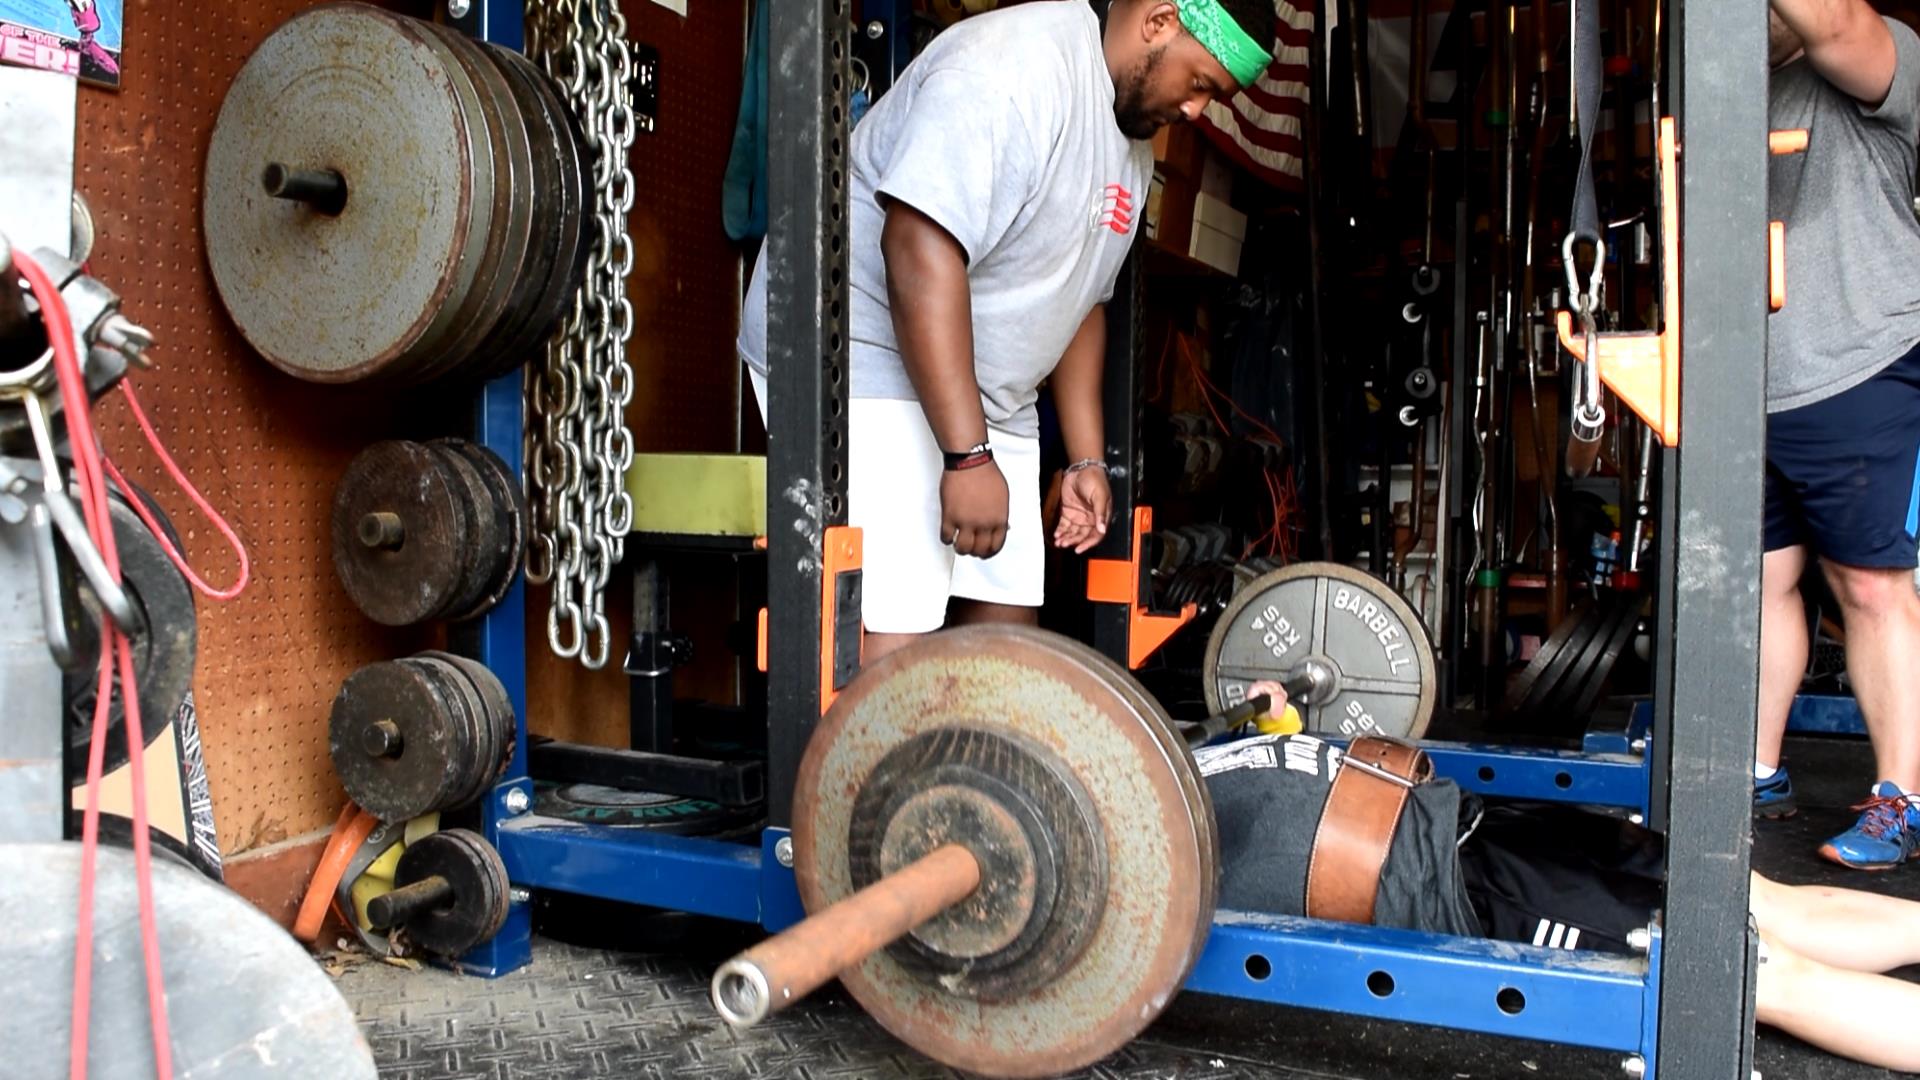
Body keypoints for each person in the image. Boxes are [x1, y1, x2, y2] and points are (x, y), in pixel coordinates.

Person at [735, 0, 1277, 663]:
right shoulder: (1011, 69)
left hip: (991, 395)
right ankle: (870, 767)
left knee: (1005, 643)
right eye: (1200, 85)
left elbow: (1080, 300)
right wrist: (967, 456)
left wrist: (1085, 460)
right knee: (897, 640)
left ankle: (964, 768)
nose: (1197, 112)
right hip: (859, 353)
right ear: (1160, 21)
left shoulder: (1130, 146)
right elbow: (916, 248)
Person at [1203, 680, 1920, 1073]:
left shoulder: (1160, 760)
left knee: (1757, 902)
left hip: (1478, 820)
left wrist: (1268, 723)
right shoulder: (1126, 858)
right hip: (1467, 893)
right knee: (1751, 975)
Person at [1753, 0, 1920, 869]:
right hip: (1748, 382)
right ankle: (1758, 769)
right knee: (1762, 581)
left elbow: (1832, 23)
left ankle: (1903, 799)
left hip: (1858, 362)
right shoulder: (1738, 85)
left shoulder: (1885, 52)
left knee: (1870, 587)